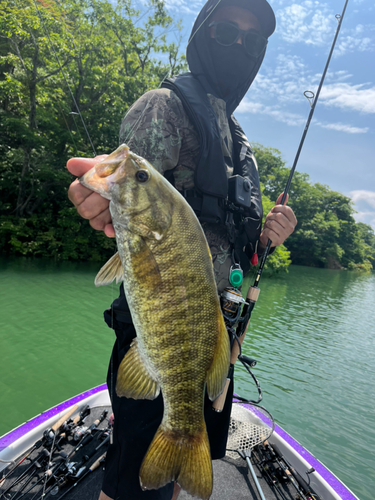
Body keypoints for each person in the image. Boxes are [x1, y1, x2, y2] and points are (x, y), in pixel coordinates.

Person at [67, 0, 297, 499]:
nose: (239, 46)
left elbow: (228, 241)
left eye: (252, 41)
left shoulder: (240, 142)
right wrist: (97, 197)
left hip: (215, 333)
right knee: (128, 477)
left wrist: (267, 238)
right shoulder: (165, 106)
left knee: (182, 456)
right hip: (162, 324)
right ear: (200, 36)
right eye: (226, 33)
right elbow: (126, 195)